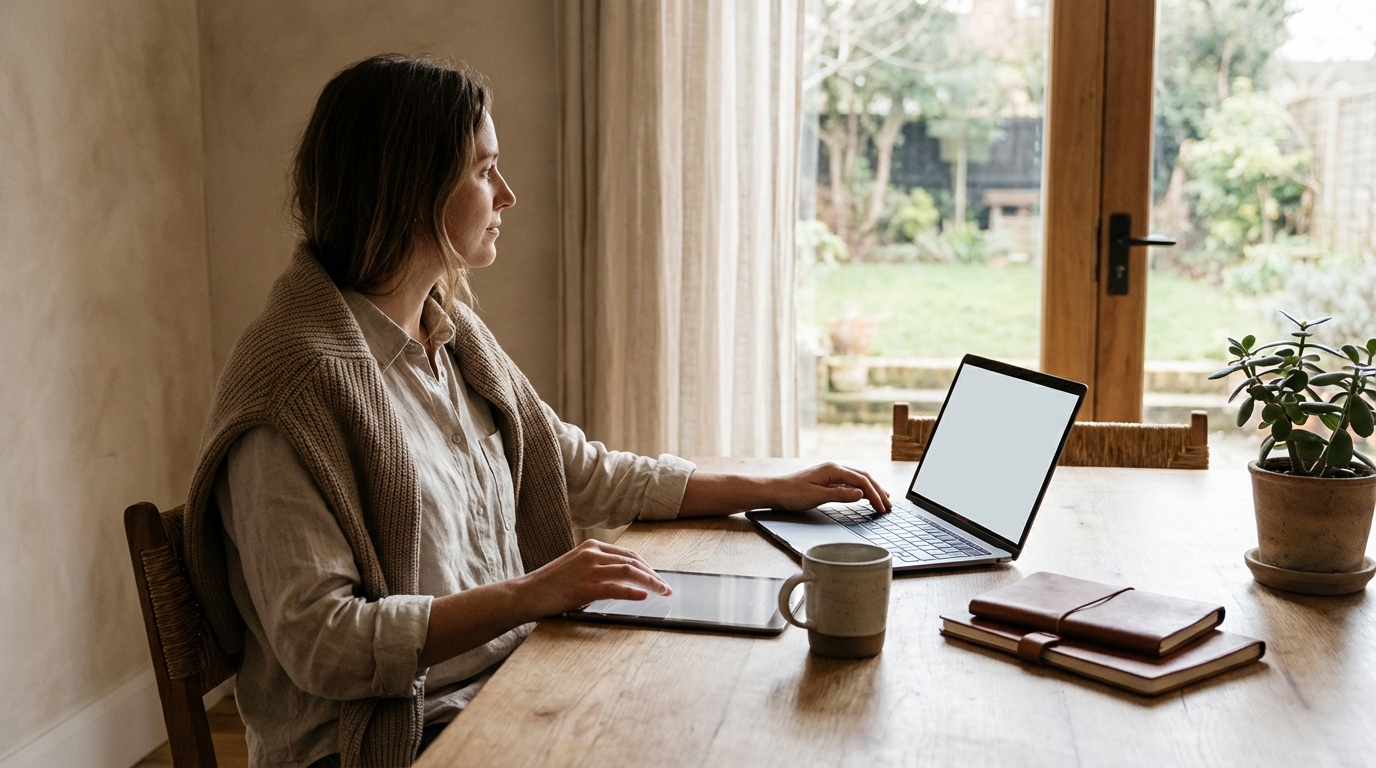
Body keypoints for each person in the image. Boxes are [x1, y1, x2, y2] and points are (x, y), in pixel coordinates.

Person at [181, 54, 891, 768]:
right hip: (383, 743)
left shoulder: (449, 333)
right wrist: (532, 594)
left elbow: (579, 470)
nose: (508, 195)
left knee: (721, 710)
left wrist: (769, 488)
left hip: (505, 686)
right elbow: (324, 644)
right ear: (411, 188)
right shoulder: (293, 390)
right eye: (485, 170)